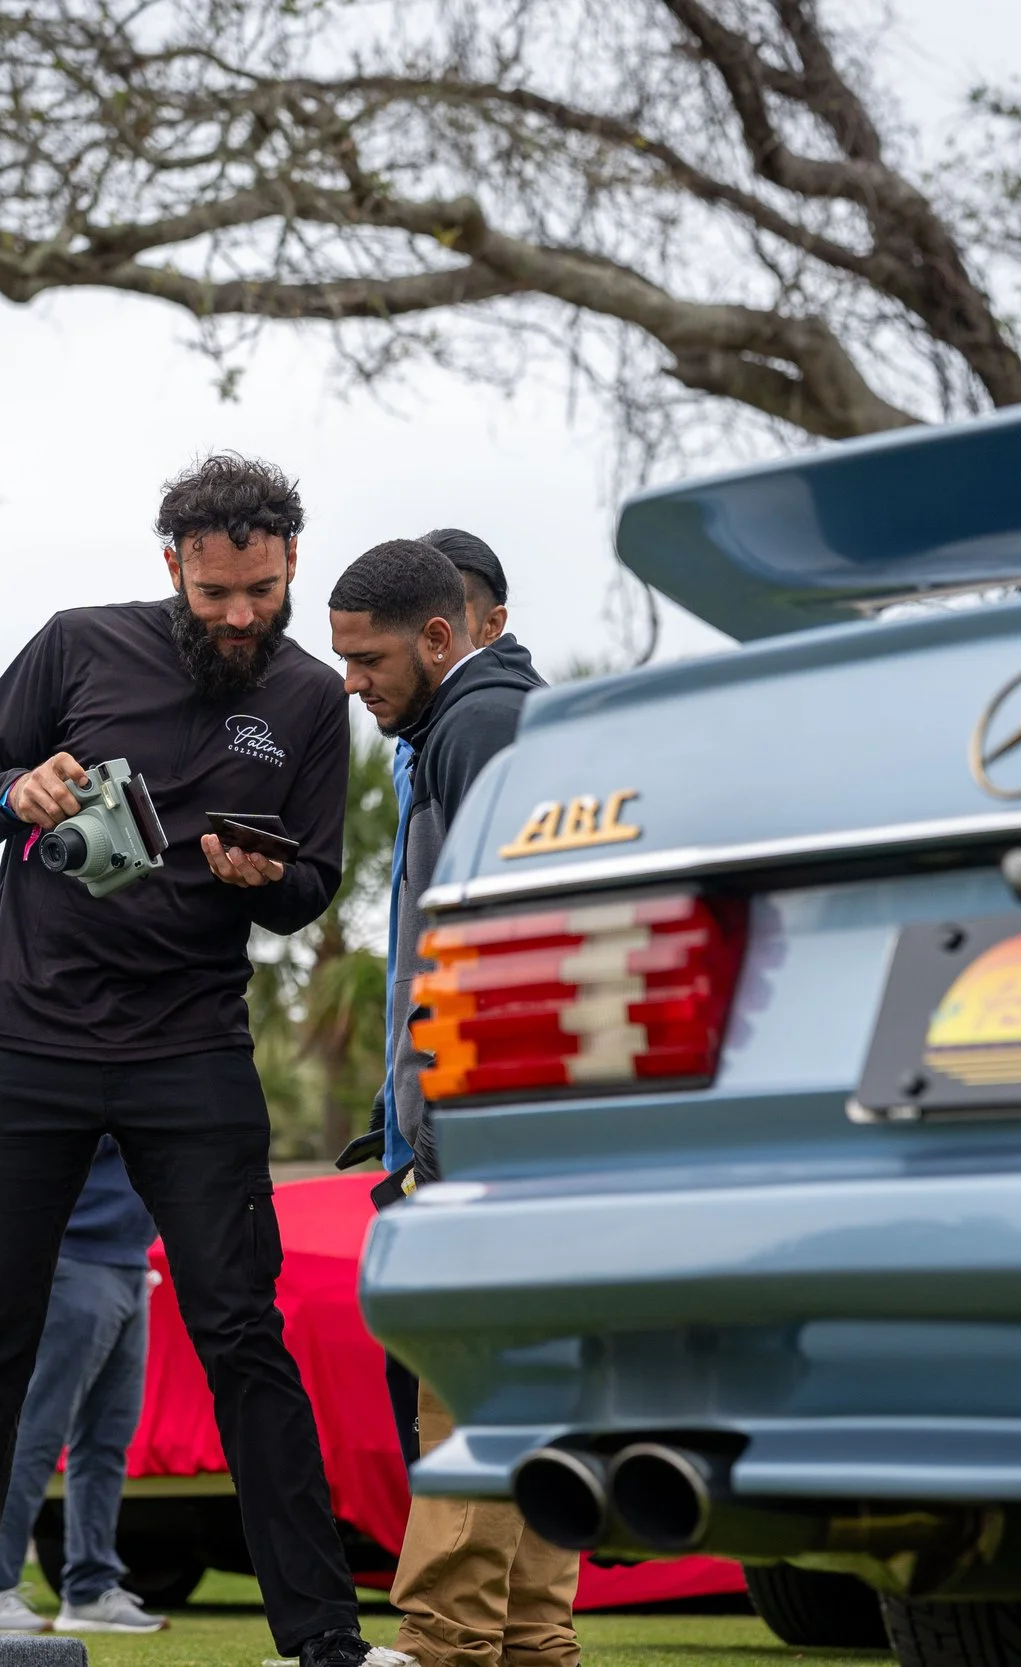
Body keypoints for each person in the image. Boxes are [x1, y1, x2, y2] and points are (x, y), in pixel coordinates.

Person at [0, 454, 370, 1667]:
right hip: (27, 1041)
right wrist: (17, 790)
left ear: (286, 569)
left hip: (191, 1052)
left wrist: (270, 880)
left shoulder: (313, 700)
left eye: (262, 589)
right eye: (218, 589)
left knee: (242, 1334)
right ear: (172, 564)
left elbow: (313, 885)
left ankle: (324, 1640)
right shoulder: (74, 645)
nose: (240, 614)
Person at [328, 537, 572, 1667]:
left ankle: (438, 1643)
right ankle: (527, 1643)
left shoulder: (477, 724)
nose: (351, 682)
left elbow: (485, 942)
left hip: (489, 1136)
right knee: (518, 1394)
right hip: (508, 1127)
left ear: (441, 635)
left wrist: (442, 1132)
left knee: (464, 1391)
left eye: (367, 657)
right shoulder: (486, 720)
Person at [0, 1137, 164, 1636]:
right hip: (74, 1259)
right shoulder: (96, 1074)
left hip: (130, 1264)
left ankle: (88, 1590)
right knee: (38, 1431)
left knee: (106, 1441)